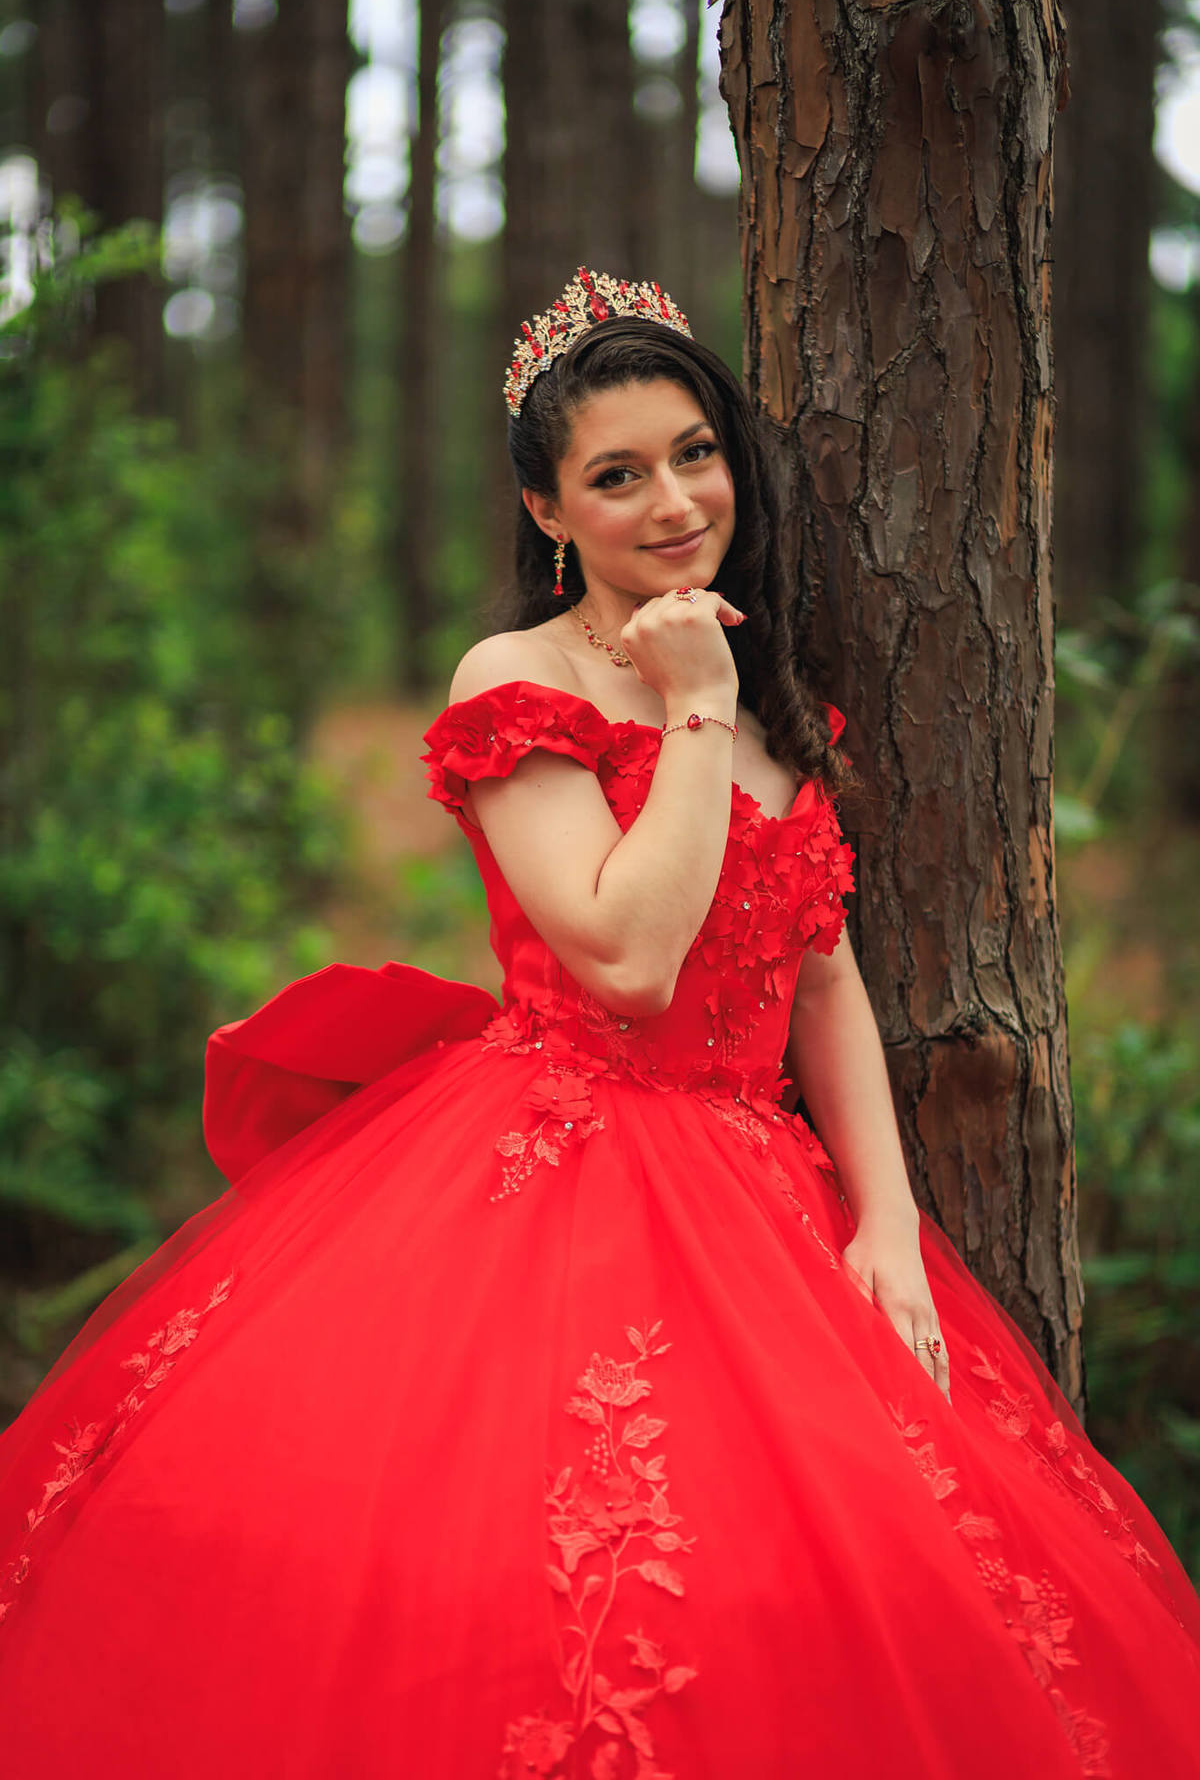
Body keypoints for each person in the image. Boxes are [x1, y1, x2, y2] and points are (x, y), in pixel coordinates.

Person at [0, 267, 1197, 1780]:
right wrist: (691, 706)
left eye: (695, 453)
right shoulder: (523, 681)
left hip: (765, 1186)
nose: (674, 500)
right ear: (548, 513)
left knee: (820, 1581)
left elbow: (822, 979)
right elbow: (629, 958)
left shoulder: (784, 718)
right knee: (537, 1576)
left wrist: (886, 1222)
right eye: (616, 476)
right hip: (551, 1161)